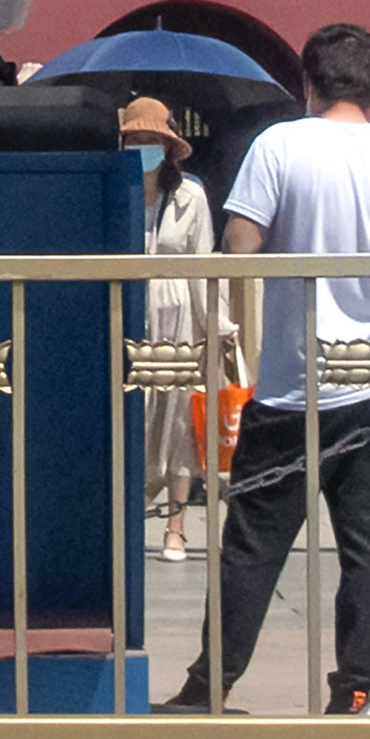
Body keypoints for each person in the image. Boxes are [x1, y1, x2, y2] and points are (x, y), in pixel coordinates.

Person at [167, 24, 370, 713]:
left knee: (251, 547)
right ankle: (356, 686)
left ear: (309, 82)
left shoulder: (281, 145)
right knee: (368, 552)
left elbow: (240, 246)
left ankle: (212, 686)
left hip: (294, 384)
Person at [123, 95, 241, 562]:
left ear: (169, 147)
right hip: (130, 310)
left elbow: (201, 263)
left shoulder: (191, 196)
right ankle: (127, 520)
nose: (145, 148)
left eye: (153, 141)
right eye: (136, 140)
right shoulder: (116, 188)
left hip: (178, 312)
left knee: (178, 422)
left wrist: (219, 324)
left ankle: (176, 527)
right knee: (132, 415)